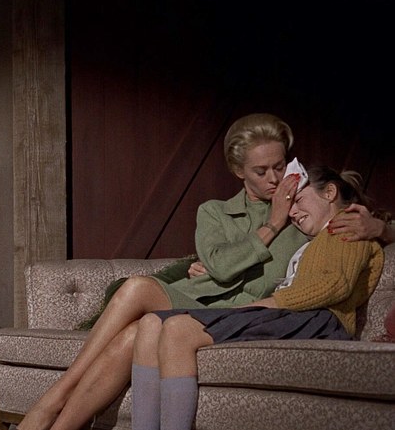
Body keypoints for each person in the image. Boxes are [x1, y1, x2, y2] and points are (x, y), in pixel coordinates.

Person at [17, 113, 389, 430]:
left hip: (243, 309)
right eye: (261, 171)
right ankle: (54, 398)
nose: (275, 179)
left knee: (135, 333)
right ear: (239, 171)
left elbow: (346, 224)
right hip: (204, 298)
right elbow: (221, 268)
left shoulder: (303, 209)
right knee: (135, 287)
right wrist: (271, 224)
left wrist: (381, 228)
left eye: (279, 166)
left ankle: (59, 421)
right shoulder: (216, 211)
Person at [131, 165, 387, 430]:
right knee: (150, 323)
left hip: (319, 320)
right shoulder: (316, 239)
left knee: (178, 329)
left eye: (298, 200)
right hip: (293, 314)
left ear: (330, 192)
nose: (293, 213)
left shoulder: (348, 225)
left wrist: (266, 304)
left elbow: (334, 285)